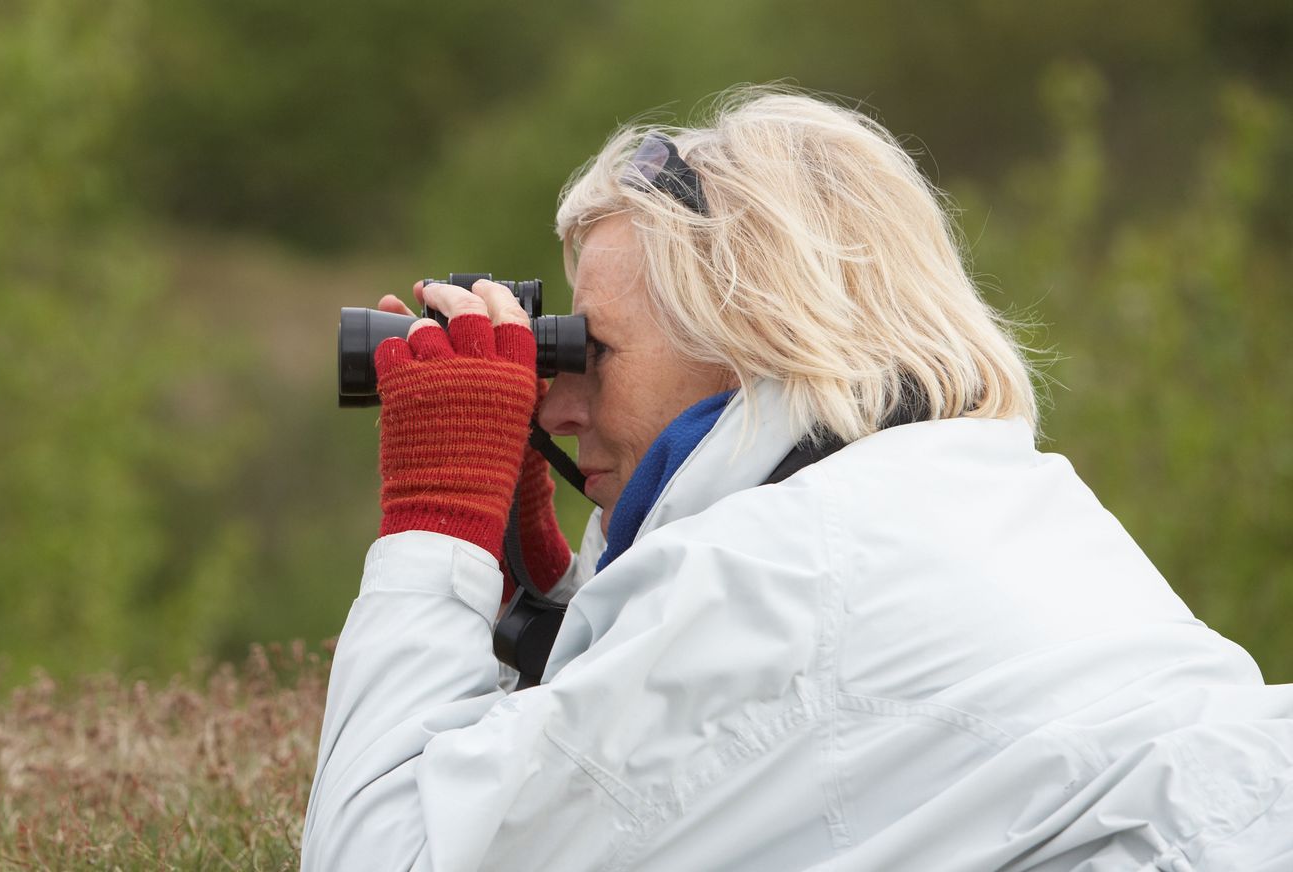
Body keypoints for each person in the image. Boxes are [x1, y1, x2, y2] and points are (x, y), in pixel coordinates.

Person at [301, 88, 1293, 870]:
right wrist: (546, 605)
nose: (554, 404)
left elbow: (382, 855)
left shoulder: (772, 581)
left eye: (591, 350)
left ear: (751, 340)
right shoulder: (993, 493)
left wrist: (437, 521)